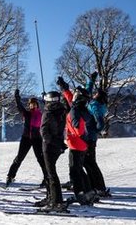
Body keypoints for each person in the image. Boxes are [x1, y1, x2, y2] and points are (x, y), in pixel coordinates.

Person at [57, 77, 95, 205]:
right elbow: (69, 97)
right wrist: (63, 87)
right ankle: (89, 192)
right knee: (79, 169)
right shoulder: (79, 107)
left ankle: (80, 194)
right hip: (82, 145)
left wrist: (71, 131)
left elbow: (78, 129)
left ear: (79, 98)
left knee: (74, 171)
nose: (73, 96)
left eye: (76, 94)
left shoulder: (75, 110)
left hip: (76, 145)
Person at [5, 89, 48, 188]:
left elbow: (48, 109)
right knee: (19, 157)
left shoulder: (41, 114)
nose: (32, 106)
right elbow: (19, 107)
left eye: (34, 104)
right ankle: (10, 176)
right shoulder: (27, 113)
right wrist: (17, 97)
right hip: (26, 138)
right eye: (31, 104)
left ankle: (47, 178)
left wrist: (45, 100)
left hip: (37, 138)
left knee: (41, 159)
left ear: (37, 104)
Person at [38, 91, 68, 212]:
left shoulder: (48, 113)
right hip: (58, 145)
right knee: (51, 173)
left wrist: (49, 141)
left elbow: (44, 131)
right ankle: (53, 198)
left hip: (49, 146)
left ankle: (56, 201)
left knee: (50, 174)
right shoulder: (62, 111)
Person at [83, 72, 110, 197]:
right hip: (89, 137)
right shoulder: (96, 104)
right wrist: (91, 80)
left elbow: (100, 123)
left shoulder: (95, 106)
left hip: (89, 138)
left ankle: (99, 187)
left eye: (95, 93)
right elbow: (87, 91)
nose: (93, 94)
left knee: (89, 162)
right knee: (88, 162)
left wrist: (93, 131)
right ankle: (94, 185)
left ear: (98, 96)